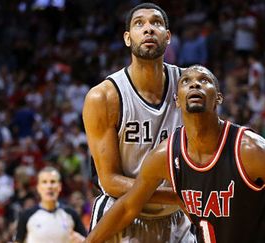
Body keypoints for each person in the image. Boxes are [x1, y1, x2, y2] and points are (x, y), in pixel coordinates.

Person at [85, 65, 265, 243]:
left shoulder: (251, 150)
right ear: (177, 99)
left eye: (204, 81)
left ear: (218, 97)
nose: (195, 84)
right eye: (186, 81)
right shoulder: (165, 155)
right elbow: (129, 206)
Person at [82, 3, 193, 242]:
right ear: (127, 38)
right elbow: (110, 181)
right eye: (139, 24)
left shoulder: (188, 87)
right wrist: (178, 195)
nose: (148, 29)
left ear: (168, 36)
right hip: (122, 212)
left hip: (177, 219)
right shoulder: (103, 97)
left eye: (156, 23)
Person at [14, 166, 87, 243]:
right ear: (38, 187)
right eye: (44, 182)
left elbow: (87, 240)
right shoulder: (26, 215)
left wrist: (83, 240)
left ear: (59, 186)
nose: (49, 186)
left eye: (53, 182)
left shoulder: (71, 214)